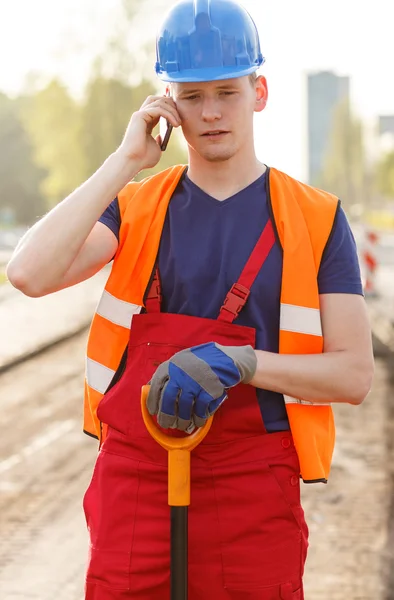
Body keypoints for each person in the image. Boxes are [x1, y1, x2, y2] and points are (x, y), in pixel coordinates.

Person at [7, 0, 374, 598]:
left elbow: (354, 374)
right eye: (192, 96)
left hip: (252, 486)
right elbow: (27, 273)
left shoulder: (316, 219)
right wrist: (125, 160)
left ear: (259, 91)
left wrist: (245, 364)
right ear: (168, 104)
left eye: (226, 93)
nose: (210, 113)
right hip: (136, 482)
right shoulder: (135, 206)